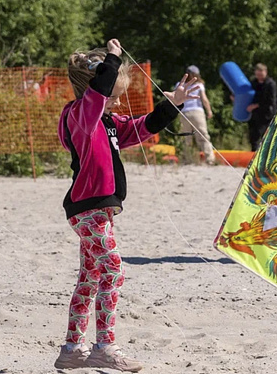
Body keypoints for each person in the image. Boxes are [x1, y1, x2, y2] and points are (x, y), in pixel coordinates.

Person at [54, 39, 194, 372]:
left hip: (98, 212)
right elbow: (98, 93)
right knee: (115, 270)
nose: (116, 101)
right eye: (112, 95)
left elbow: (140, 128)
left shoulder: (107, 122)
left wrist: (171, 104)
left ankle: (73, 349)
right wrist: (113, 59)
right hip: (87, 210)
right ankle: (105, 347)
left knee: (90, 277)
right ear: (94, 90)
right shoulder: (81, 116)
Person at [176, 65, 215, 164]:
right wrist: (209, 110)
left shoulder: (179, 85)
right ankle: (210, 159)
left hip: (184, 112)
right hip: (197, 112)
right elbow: (204, 99)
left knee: (185, 138)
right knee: (203, 136)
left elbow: (175, 100)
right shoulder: (199, 85)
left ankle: (186, 159)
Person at [246, 63, 277, 151]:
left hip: (267, 114)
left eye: (261, 73)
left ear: (265, 72)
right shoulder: (253, 83)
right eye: (257, 74)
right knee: (253, 137)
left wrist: (256, 105)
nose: (259, 76)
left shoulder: (270, 84)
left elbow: (271, 101)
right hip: (254, 114)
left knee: (266, 137)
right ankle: (253, 157)